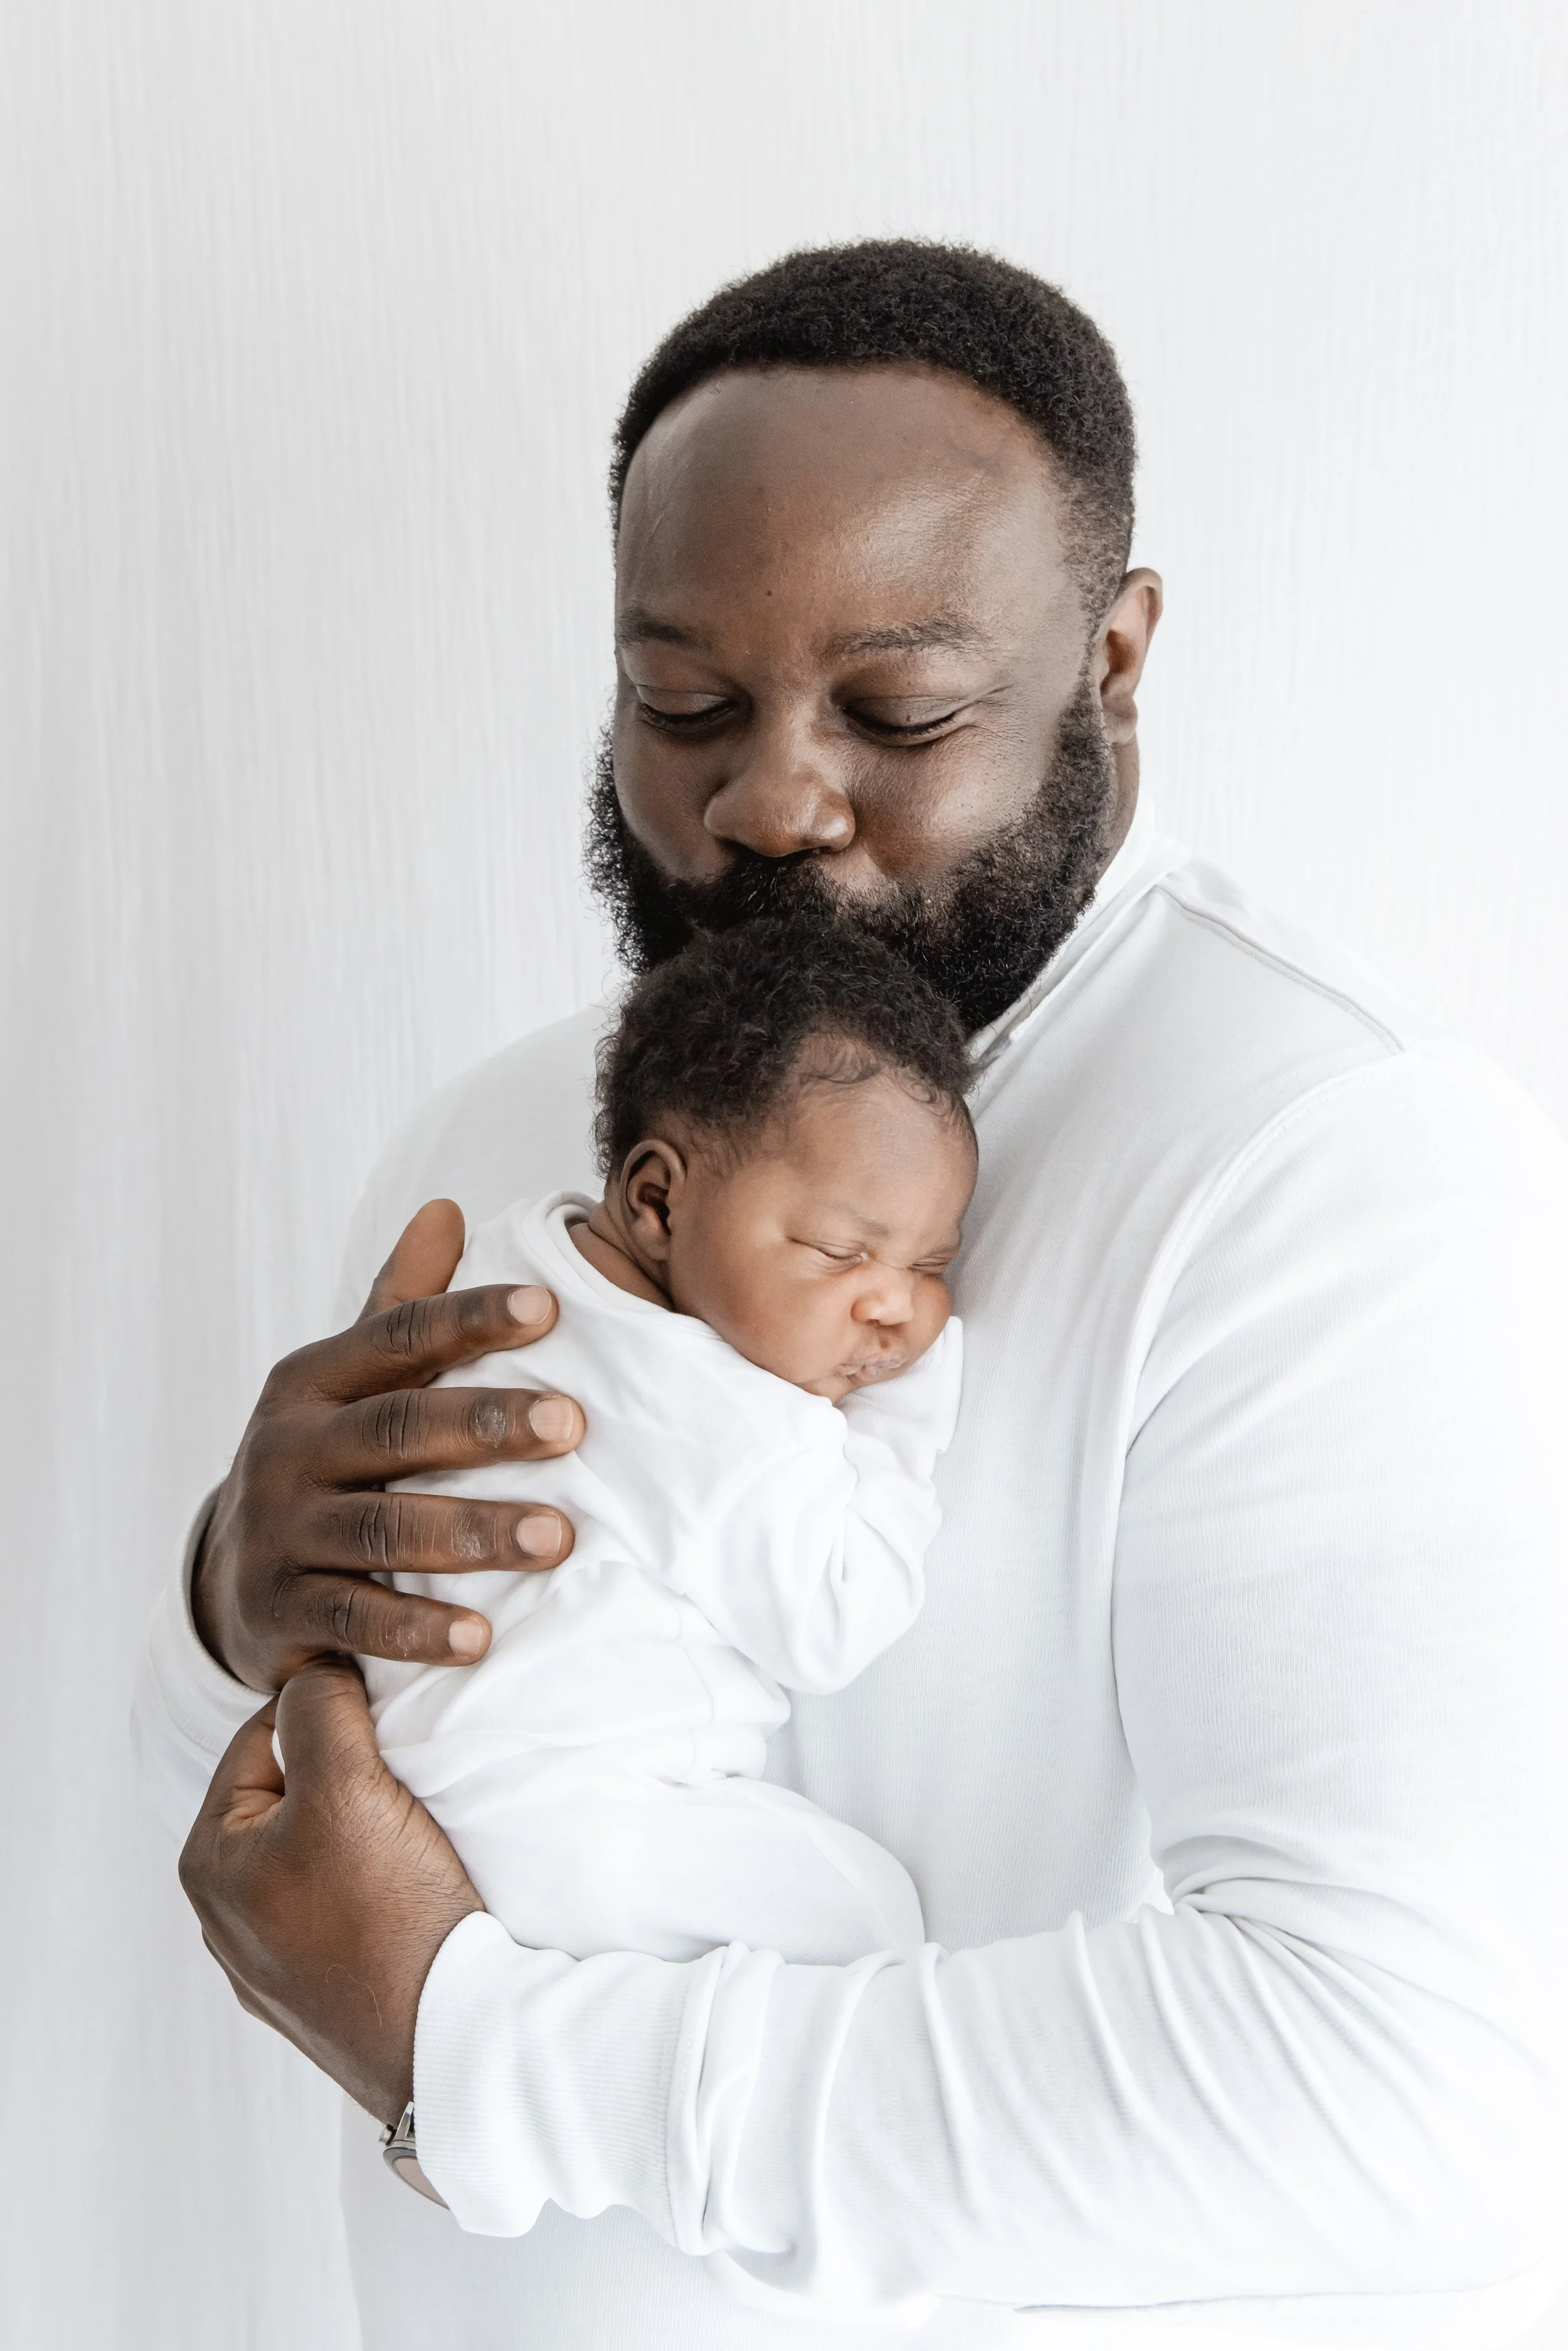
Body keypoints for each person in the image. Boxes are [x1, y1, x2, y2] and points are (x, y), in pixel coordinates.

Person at [140, 243, 1568, 2350]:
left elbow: (1408, 2079)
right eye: (682, 704)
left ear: (1114, 658)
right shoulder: (511, 1128)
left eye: (897, 710)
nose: (768, 803)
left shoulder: (1326, 1156)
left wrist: (486, 2052)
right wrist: (224, 1608)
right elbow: (310, 1844)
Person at [366, 918, 973, 1981]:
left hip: (413, 1793)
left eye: (932, 1264)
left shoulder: (506, 1266)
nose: (896, 1306)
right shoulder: (720, 1409)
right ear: (657, 1199)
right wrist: (905, 1412)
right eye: (842, 1252)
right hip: (586, 1835)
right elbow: (835, 1616)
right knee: (876, 1920)